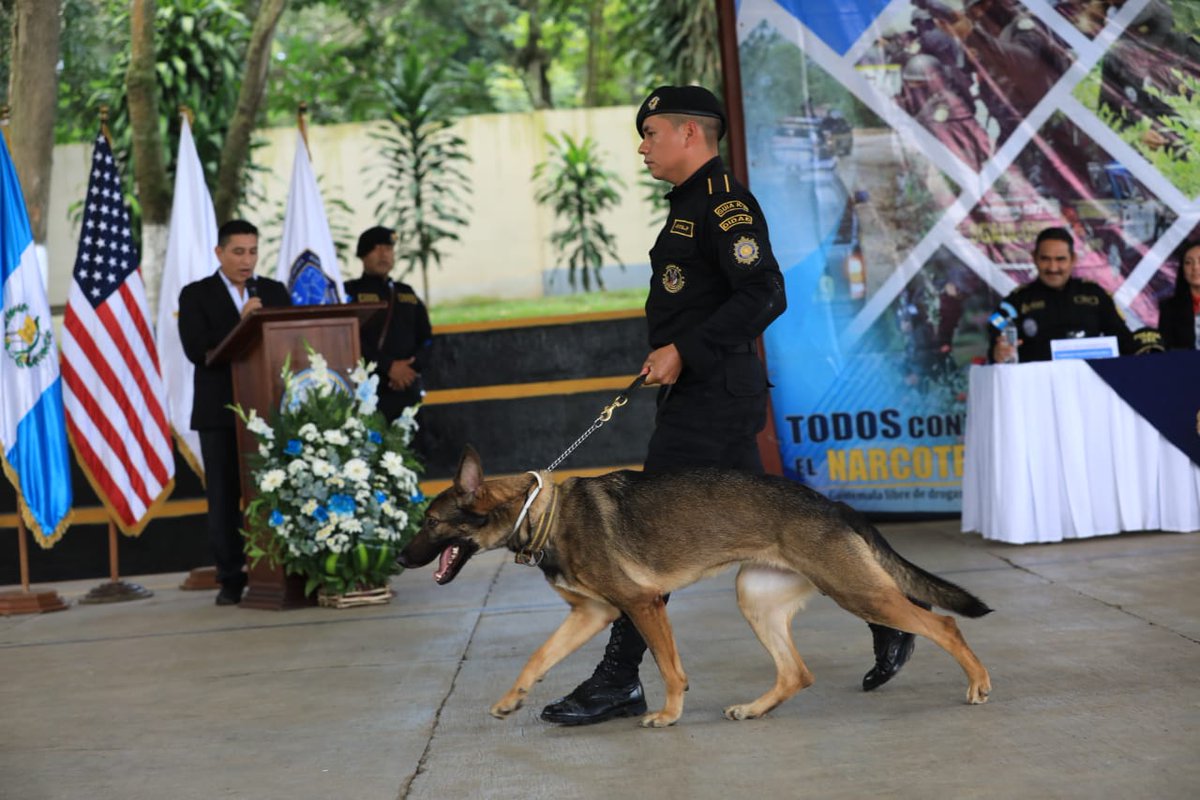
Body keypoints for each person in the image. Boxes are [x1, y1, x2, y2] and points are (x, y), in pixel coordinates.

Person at [538, 86, 914, 727]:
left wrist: (685, 348)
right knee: (790, 527)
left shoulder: (725, 205)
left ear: (691, 134)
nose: (642, 146)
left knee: (642, 533)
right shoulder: (689, 204)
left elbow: (767, 290)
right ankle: (889, 607)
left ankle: (618, 679)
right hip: (703, 393)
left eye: (651, 132)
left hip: (713, 398)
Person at [179, 220, 291, 606]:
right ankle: (230, 578)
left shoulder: (273, 291)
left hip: (270, 409)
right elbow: (198, 350)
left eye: (253, 251)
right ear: (219, 253)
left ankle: (284, 568)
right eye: (239, 252)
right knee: (225, 499)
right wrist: (240, 321)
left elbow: (289, 343)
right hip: (220, 413)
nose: (247, 260)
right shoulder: (196, 295)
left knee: (276, 493)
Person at [990, 227, 1135, 364]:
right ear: (1034, 258)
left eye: (1060, 259)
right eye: (1045, 259)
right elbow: (995, 336)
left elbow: (1124, 342)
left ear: (1073, 259)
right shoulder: (1017, 301)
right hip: (1036, 385)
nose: (1053, 268)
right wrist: (998, 352)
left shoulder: (1095, 295)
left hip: (1091, 384)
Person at [343, 226, 433, 425]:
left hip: (406, 390)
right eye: (376, 248)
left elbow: (426, 339)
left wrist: (410, 369)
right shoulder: (350, 293)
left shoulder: (406, 293)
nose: (384, 254)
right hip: (370, 391)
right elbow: (348, 337)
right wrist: (388, 366)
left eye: (388, 249)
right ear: (362, 255)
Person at [1158, 239, 1200, 350]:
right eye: (1188, 263)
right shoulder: (1169, 308)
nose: (1195, 267)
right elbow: (1166, 350)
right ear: (1182, 270)